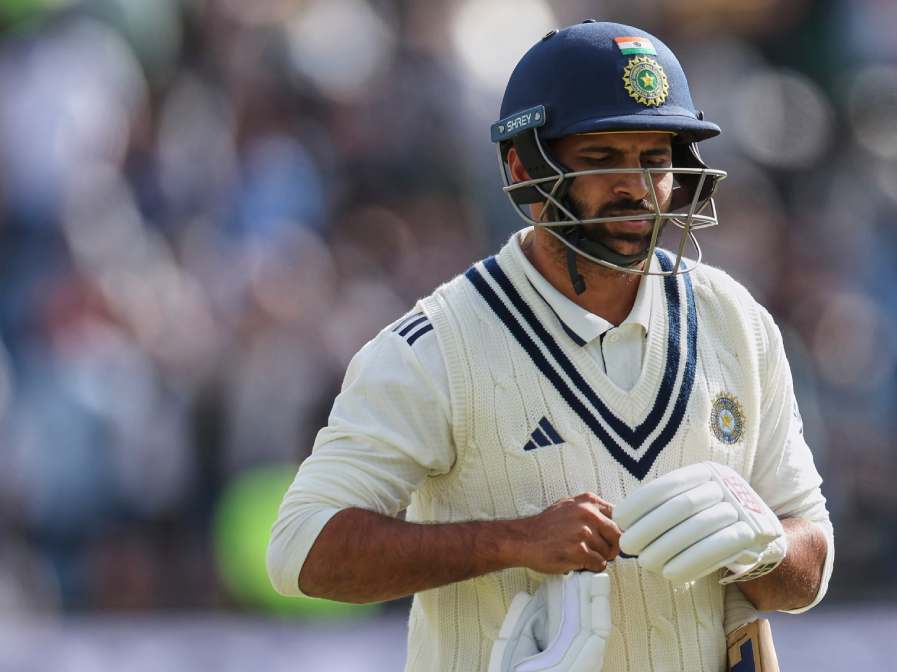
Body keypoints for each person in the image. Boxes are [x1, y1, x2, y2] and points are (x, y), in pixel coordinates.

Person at [267, 20, 834, 672]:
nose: (637, 188)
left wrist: (763, 547)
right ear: (522, 166)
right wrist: (512, 542)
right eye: (601, 159)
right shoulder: (438, 346)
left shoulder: (735, 321)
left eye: (655, 159)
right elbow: (300, 550)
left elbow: (807, 558)